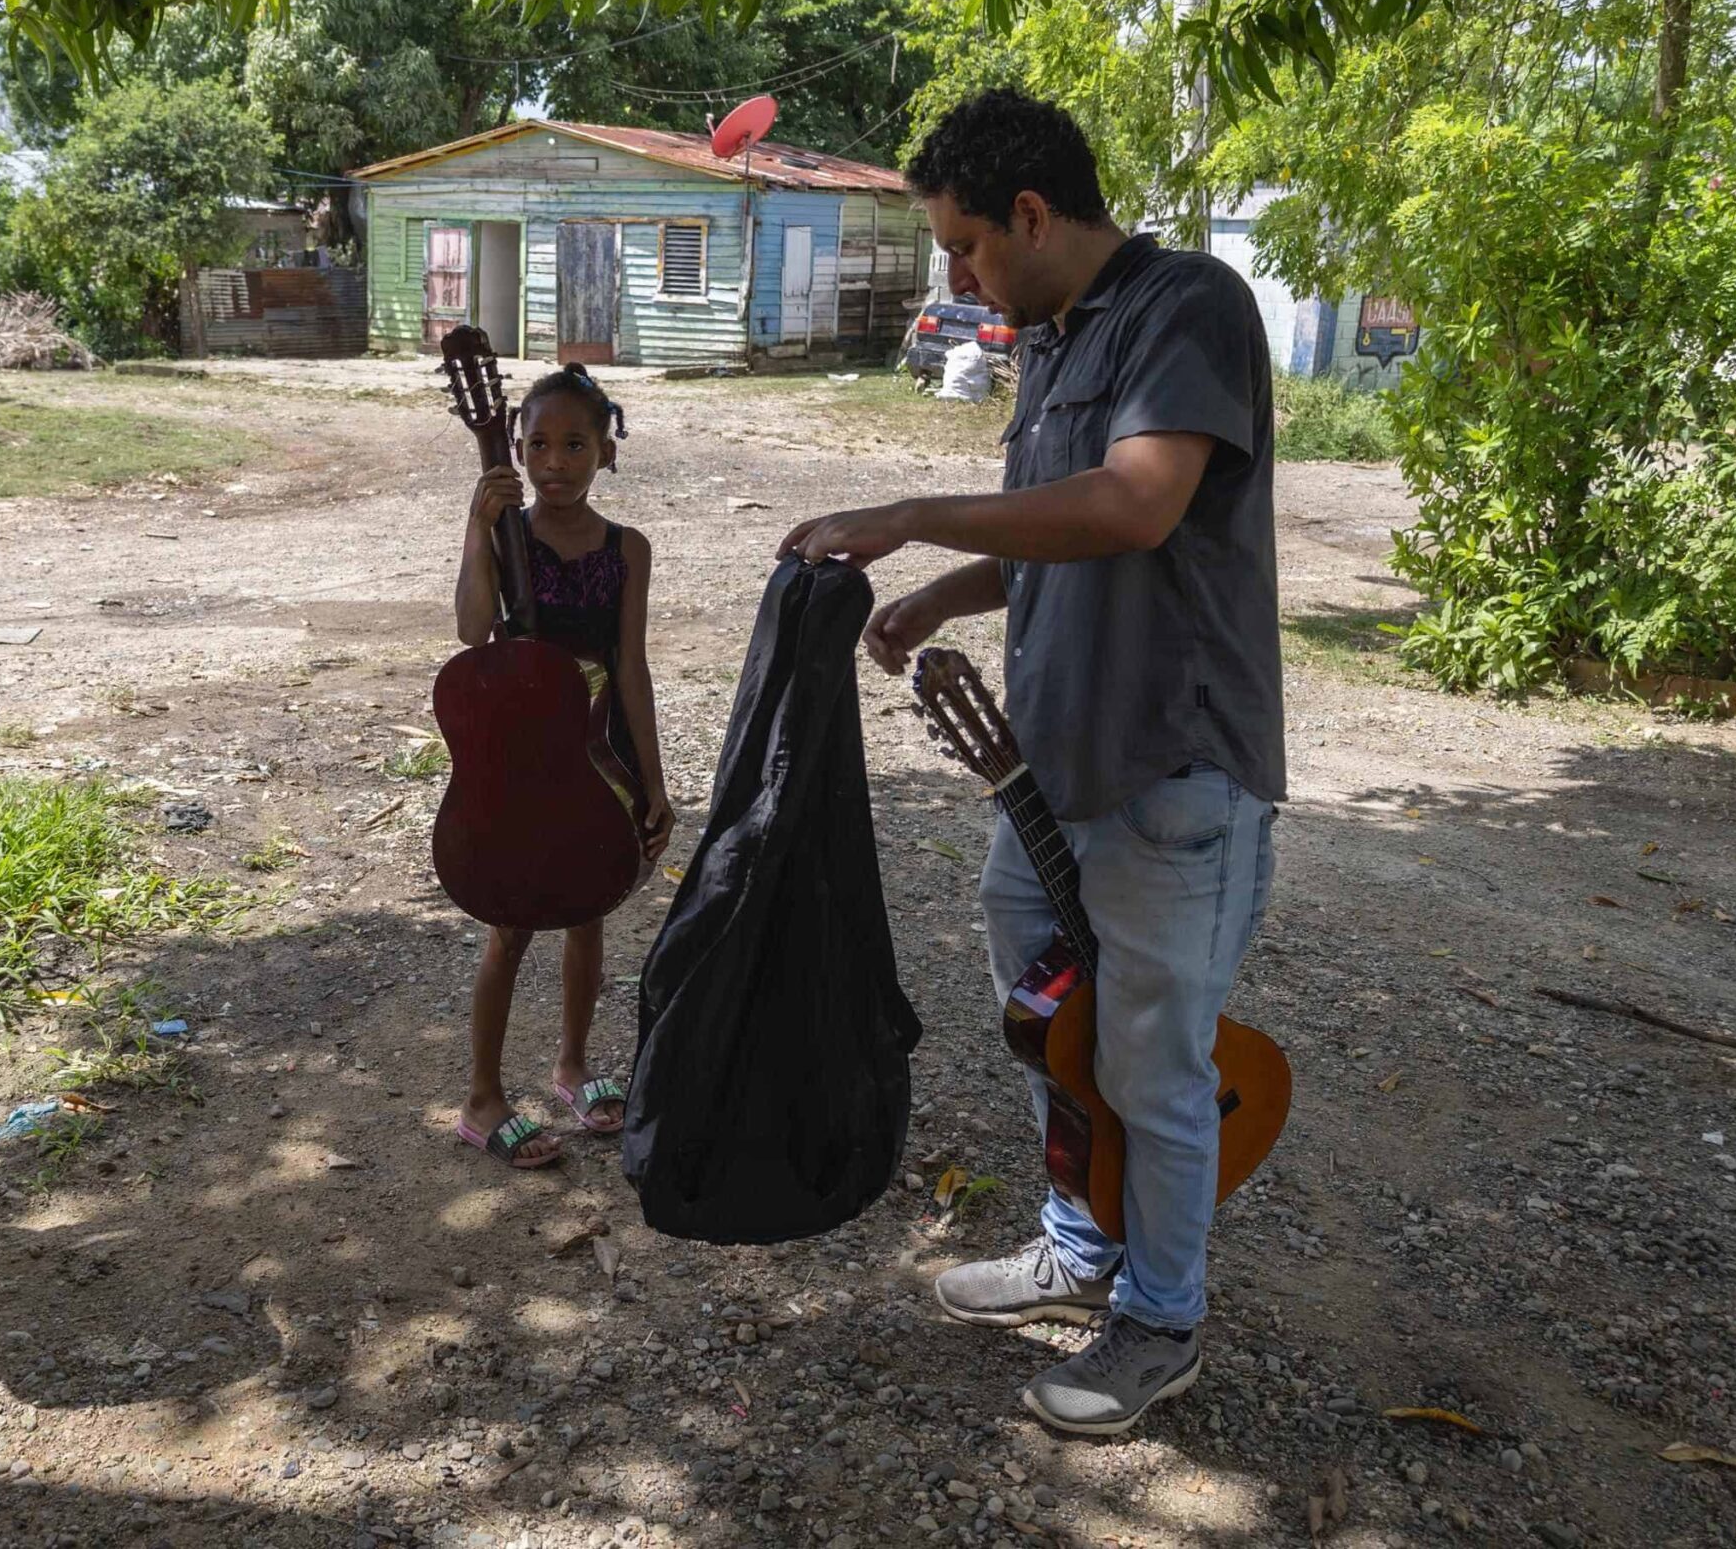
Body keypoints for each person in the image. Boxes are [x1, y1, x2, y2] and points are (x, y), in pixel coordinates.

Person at [780, 88, 1284, 1436]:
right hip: (1048, 768)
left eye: (963, 248)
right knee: (1048, 1021)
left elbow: (1131, 502)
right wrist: (943, 593)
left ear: (1033, 214)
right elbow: (1049, 522)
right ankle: (1079, 1240)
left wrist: (904, 512)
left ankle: (1162, 1318)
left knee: (1155, 1059)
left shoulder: (1191, 306)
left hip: (1170, 769)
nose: (955, 278)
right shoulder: (1054, 336)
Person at [450, 366, 675, 1168]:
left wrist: (653, 783)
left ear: (606, 451)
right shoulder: (512, 540)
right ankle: (482, 1098)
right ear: (515, 448)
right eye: (539, 443)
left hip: (598, 749)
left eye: (575, 443)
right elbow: (475, 631)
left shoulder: (628, 550)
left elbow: (634, 670)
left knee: (589, 907)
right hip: (522, 761)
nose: (556, 461)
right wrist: (478, 529)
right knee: (510, 923)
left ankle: (572, 1063)